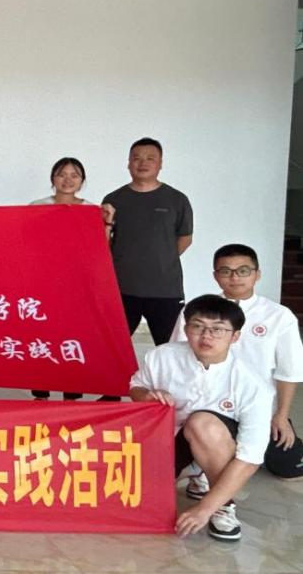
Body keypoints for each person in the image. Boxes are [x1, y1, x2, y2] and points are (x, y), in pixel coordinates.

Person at [130, 294, 272, 541]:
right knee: (134, 495)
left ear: (235, 336)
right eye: (198, 327)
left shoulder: (252, 383)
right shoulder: (162, 356)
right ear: (186, 329)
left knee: (202, 423)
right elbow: (135, 387)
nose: (206, 336)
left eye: (217, 330)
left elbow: (250, 457)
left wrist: (204, 509)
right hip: (169, 440)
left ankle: (223, 505)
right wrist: (147, 396)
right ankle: (195, 470)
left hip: (216, 440)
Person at [171, 244, 303, 499]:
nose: (235, 278)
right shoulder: (197, 312)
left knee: (289, 467)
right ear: (215, 275)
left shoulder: (278, 316)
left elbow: (289, 372)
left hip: (257, 406)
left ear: (257, 274)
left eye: (243, 271)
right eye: (226, 271)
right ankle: (206, 469)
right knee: (195, 441)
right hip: (206, 404)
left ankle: (209, 461)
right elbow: (178, 356)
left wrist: (281, 415)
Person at [101, 137, 193, 400]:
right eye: (137, 158)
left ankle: (175, 396)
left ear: (160, 163)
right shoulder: (114, 199)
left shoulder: (176, 199)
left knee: (171, 347)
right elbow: (104, 241)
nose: (143, 163)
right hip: (122, 287)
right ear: (128, 163)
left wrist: (160, 259)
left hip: (165, 289)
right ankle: (111, 394)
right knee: (113, 346)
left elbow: (185, 238)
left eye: (150, 158)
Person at [28, 157, 111, 400]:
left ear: (82, 181)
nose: (67, 180)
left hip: (78, 285)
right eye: (62, 174)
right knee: (43, 336)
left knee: (74, 337)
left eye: (74, 175)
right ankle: (41, 392)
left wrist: (106, 223)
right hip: (43, 281)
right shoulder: (36, 207)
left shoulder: (91, 210)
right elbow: (26, 242)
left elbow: (100, 249)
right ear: (53, 178)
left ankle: (71, 393)